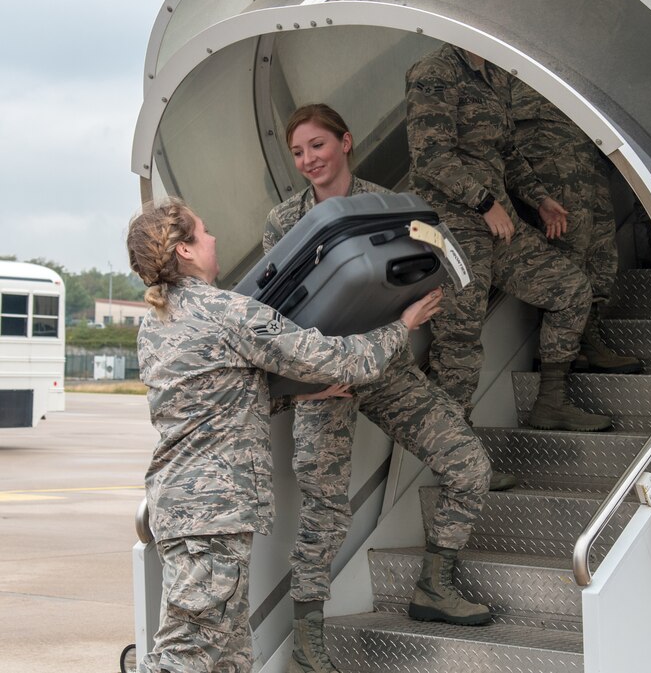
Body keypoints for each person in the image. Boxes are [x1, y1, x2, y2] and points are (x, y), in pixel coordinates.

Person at [128, 198, 442, 673]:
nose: (214, 239)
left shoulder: (156, 323)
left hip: (189, 509)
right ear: (185, 251)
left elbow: (212, 400)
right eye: (204, 231)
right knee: (185, 658)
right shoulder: (228, 312)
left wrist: (297, 399)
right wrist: (403, 326)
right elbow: (333, 359)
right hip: (213, 515)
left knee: (229, 656)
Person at [267, 104, 498, 673]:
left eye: (317, 146)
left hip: (387, 364)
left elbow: (432, 262)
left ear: (346, 142)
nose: (308, 161)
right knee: (325, 508)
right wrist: (301, 386)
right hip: (325, 381)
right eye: (298, 153)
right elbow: (274, 314)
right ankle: (307, 633)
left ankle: (433, 588)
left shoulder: (388, 208)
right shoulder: (283, 222)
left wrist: (422, 308)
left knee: (468, 462)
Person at [404, 43, 612, 432]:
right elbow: (429, 157)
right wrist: (483, 202)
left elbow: (509, 153)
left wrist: (541, 199)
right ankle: (460, 457)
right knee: (458, 342)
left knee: (571, 289)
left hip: (499, 226)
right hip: (451, 230)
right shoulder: (435, 71)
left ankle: (551, 403)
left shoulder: (495, 72)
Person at [509, 78, 642, 374]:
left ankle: (586, 336)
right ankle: (564, 347)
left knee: (600, 238)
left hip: (581, 120)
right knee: (571, 235)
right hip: (543, 120)